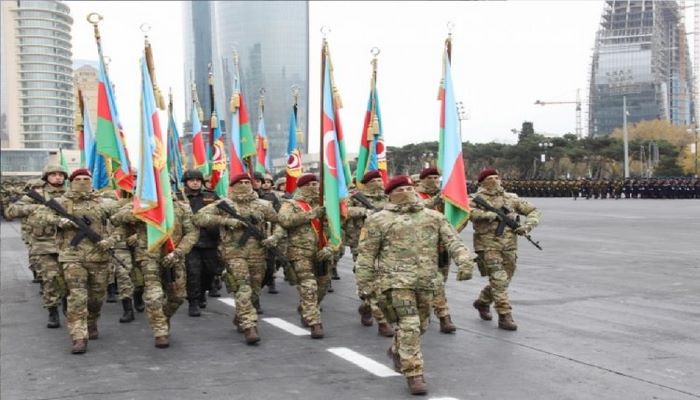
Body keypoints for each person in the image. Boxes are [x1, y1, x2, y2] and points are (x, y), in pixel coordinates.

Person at [355, 175, 476, 395]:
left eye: (409, 188)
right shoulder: (378, 219)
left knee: (421, 325)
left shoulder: (433, 217)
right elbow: (366, 254)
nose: (406, 193)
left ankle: (397, 350)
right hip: (395, 282)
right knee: (409, 324)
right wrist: (364, 284)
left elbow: (453, 242)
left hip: (427, 281)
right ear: (390, 194)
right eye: (400, 190)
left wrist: (464, 260)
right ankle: (414, 373)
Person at [34, 168, 121, 353]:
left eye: (85, 178)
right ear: (71, 181)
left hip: (99, 257)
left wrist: (111, 240)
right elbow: (39, 216)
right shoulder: (62, 202)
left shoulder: (104, 202)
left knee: (96, 297)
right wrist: (59, 221)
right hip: (72, 256)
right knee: (77, 297)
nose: (82, 181)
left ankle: (92, 320)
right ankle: (78, 336)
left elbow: (122, 224)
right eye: (78, 178)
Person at [193, 173, 284, 344]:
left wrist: (274, 237)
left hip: (258, 253)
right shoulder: (224, 204)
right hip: (233, 253)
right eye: (240, 182)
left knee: (254, 291)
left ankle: (240, 316)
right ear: (233, 185)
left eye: (247, 182)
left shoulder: (263, 205)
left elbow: (279, 222)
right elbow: (198, 217)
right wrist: (226, 221)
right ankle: (250, 326)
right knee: (243, 287)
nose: (244, 184)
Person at [110, 191, 198, 348]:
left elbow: (191, 233)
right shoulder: (140, 205)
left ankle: (162, 317)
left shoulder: (182, 207)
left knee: (177, 297)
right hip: (148, 256)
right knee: (153, 295)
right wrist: (144, 211)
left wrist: (178, 252)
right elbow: (117, 218)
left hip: (174, 256)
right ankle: (160, 331)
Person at [470, 168, 541, 331]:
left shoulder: (511, 198)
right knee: (499, 279)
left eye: (496, 177)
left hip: (509, 246)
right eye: (490, 178)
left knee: (504, 280)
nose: (494, 180)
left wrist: (527, 226)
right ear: (482, 182)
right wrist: (489, 215)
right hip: (487, 245)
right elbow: (467, 212)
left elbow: (534, 210)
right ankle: (504, 315)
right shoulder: (474, 199)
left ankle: (483, 301)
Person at [7, 164, 68, 328]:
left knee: (70, 279)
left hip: (68, 244)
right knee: (50, 278)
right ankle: (53, 311)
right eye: (53, 174)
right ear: (46, 177)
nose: (58, 177)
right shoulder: (37, 194)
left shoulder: (71, 194)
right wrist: (38, 208)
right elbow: (11, 211)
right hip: (44, 244)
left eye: (60, 174)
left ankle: (68, 306)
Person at [277, 173, 335, 339]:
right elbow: (285, 221)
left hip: (322, 253)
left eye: (315, 184)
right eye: (308, 184)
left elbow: (337, 230)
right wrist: (311, 214)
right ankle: (315, 322)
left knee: (322, 286)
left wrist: (331, 248)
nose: (313, 187)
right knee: (309, 286)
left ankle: (307, 308)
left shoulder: (327, 204)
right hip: (299, 252)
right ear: (301, 187)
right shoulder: (291, 204)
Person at [344, 170, 394, 337]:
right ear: (366, 183)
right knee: (369, 280)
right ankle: (382, 321)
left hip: (387, 243)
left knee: (385, 281)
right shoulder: (356, 197)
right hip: (362, 243)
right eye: (374, 181)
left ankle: (367, 307)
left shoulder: (389, 197)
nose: (379, 183)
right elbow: (344, 210)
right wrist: (365, 212)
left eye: (380, 180)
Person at [415, 167, 456, 333]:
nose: (433, 180)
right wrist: (440, 197)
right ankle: (444, 316)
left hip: (443, 245)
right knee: (436, 282)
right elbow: (417, 207)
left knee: (440, 280)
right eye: (429, 177)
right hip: (422, 246)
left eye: (436, 177)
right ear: (422, 179)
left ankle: (427, 306)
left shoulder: (447, 196)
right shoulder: (415, 195)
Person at [181, 169, 221, 317]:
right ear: (186, 182)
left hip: (209, 240)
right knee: (193, 273)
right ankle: (193, 302)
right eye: (192, 180)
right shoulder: (179, 198)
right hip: (189, 243)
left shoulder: (211, 196)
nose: (195, 183)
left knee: (210, 272)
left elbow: (222, 213)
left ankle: (203, 291)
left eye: (198, 180)